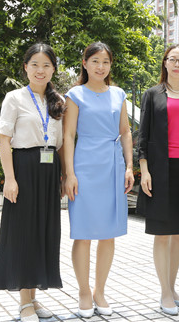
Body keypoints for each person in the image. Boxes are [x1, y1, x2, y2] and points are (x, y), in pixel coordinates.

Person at [0, 44, 65, 322]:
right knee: (24, 233)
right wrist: (9, 178)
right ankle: (24, 303)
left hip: (49, 170)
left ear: (53, 69)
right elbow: (4, 140)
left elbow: (61, 143)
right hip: (24, 169)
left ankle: (32, 297)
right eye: (34, 64)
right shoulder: (15, 98)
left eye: (46, 65)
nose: (40, 70)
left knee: (43, 233)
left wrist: (63, 176)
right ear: (25, 67)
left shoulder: (58, 101)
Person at [62, 42, 135, 318]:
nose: (100, 67)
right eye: (95, 61)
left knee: (108, 234)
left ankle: (99, 291)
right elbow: (68, 135)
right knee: (83, 233)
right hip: (84, 166)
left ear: (110, 65)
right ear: (85, 63)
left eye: (105, 62)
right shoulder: (75, 94)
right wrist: (70, 174)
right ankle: (83, 292)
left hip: (113, 166)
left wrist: (129, 167)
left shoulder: (119, 94)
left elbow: (125, 132)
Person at [136, 44, 179, 316]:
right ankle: (164, 292)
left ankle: (173, 288)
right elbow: (143, 135)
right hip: (159, 171)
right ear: (165, 63)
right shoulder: (152, 95)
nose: (177, 64)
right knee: (162, 234)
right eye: (172, 59)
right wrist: (144, 170)